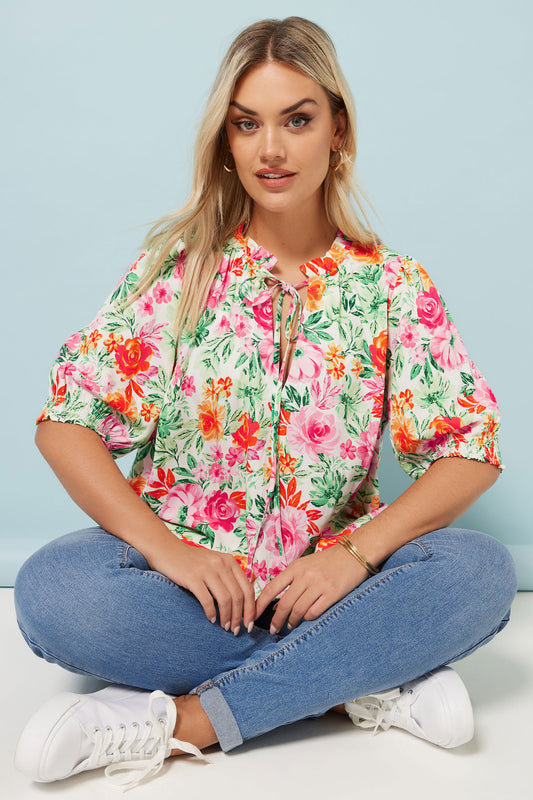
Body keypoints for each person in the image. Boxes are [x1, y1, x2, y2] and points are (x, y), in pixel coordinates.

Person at [14, 16, 517, 791]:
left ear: (337, 130)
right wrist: (170, 552)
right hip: (186, 594)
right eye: (247, 124)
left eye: (297, 120)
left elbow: (469, 450)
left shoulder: (391, 284)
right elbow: (65, 425)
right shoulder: (176, 270)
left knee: (479, 570)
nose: (270, 149)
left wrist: (352, 557)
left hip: (332, 591)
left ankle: (186, 721)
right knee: (52, 589)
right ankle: (361, 678)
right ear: (225, 138)